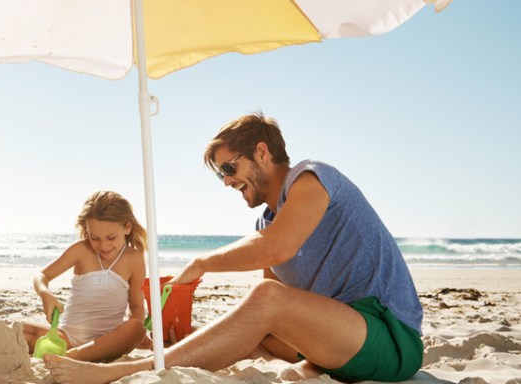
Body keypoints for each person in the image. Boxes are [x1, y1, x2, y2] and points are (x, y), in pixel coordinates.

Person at [45, 112, 424, 384]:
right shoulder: (264, 223)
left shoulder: (311, 178)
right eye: (220, 175)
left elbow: (278, 249)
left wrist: (201, 263)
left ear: (262, 152)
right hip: (336, 352)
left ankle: (121, 373)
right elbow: (276, 328)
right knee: (241, 328)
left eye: (229, 168)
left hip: (390, 338)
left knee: (266, 296)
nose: (226, 182)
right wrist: (196, 338)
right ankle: (168, 352)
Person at [23, 190, 148, 362]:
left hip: (108, 341)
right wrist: (45, 293)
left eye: (111, 238)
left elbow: (136, 305)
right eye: (94, 237)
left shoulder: (133, 258)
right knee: (12, 328)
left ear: (127, 227)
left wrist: (136, 334)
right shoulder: (81, 250)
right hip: (66, 338)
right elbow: (42, 275)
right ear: (86, 230)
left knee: (137, 328)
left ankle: (70, 358)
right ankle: (73, 354)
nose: (103, 245)